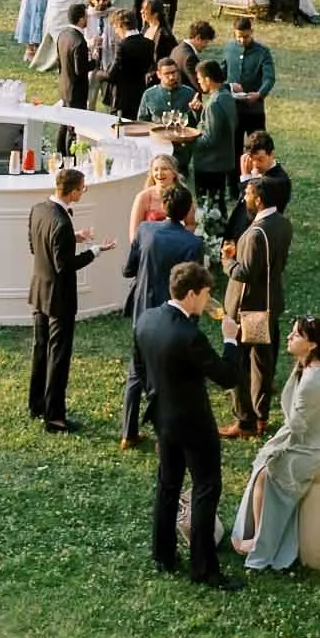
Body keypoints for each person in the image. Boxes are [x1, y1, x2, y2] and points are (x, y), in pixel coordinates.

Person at [133, 262, 241, 585]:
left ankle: (163, 554)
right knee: (206, 488)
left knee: (168, 485)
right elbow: (227, 376)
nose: (208, 299)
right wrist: (230, 341)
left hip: (163, 419)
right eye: (206, 293)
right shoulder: (189, 335)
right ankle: (204, 568)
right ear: (192, 294)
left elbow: (140, 370)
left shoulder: (146, 320)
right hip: (194, 425)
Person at [230, 317, 320, 573]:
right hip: (311, 442)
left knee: (266, 474)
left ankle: (261, 545)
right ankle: (258, 535)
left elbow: (296, 427)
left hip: (316, 450)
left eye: (297, 335)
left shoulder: (313, 380)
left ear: (312, 345)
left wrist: (272, 449)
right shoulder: (312, 367)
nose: (291, 337)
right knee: (263, 465)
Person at [26, 166, 114, 433]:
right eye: (83, 189)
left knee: (41, 349)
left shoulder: (39, 209)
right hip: (59, 298)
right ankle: (54, 417)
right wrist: (95, 251)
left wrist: (73, 238)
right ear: (74, 191)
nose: (83, 192)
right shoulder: (62, 222)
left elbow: (36, 245)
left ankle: (36, 403)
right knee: (58, 355)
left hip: (39, 290)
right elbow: (64, 265)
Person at [119, 182, 203, 448]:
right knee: (171, 375)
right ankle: (165, 435)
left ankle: (128, 432)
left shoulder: (145, 231)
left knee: (137, 371)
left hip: (144, 308)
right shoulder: (192, 243)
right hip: (174, 313)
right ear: (187, 209)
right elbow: (194, 284)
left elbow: (129, 269)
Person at [220, 170, 292, 439]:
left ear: (259, 199)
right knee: (263, 363)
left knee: (238, 363)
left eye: (249, 193)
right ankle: (262, 415)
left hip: (248, 309)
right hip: (270, 301)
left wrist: (227, 260)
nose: (245, 197)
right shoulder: (283, 224)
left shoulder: (254, 234)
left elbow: (245, 272)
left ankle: (245, 420)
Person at [192, 60, 240, 216]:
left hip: (209, 164)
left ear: (207, 79)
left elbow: (210, 138)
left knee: (209, 209)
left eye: (199, 79)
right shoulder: (226, 97)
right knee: (218, 206)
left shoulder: (214, 103)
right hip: (221, 161)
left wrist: (187, 140)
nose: (199, 83)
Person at [223, 13, 275, 130]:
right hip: (233, 106)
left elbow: (269, 78)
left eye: (245, 37)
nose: (242, 40)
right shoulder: (229, 48)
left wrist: (259, 94)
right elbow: (222, 72)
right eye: (238, 37)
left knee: (258, 143)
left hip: (254, 108)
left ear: (251, 32)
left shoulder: (262, 52)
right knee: (235, 145)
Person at [129, 152, 193, 241]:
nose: (159, 173)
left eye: (164, 169)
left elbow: (191, 225)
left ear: (174, 173)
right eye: (156, 169)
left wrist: (175, 239)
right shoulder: (142, 197)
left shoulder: (183, 195)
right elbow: (134, 234)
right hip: (150, 249)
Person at [106, 12, 155, 121]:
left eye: (115, 28)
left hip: (122, 97)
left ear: (121, 26)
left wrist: (100, 74)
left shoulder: (122, 46)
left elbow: (112, 74)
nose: (116, 32)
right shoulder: (149, 44)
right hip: (140, 92)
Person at [138, 55, 196, 132]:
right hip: (158, 139)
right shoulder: (149, 94)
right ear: (159, 75)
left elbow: (197, 122)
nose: (171, 77)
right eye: (167, 74)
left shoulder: (189, 93)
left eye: (174, 72)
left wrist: (197, 111)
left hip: (182, 139)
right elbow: (142, 122)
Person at [57, 2, 92, 109]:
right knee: (76, 124)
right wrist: (95, 61)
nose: (88, 19)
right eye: (86, 17)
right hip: (77, 92)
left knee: (63, 122)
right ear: (81, 20)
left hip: (64, 87)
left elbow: (59, 61)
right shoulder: (79, 41)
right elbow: (80, 70)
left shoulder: (63, 34)